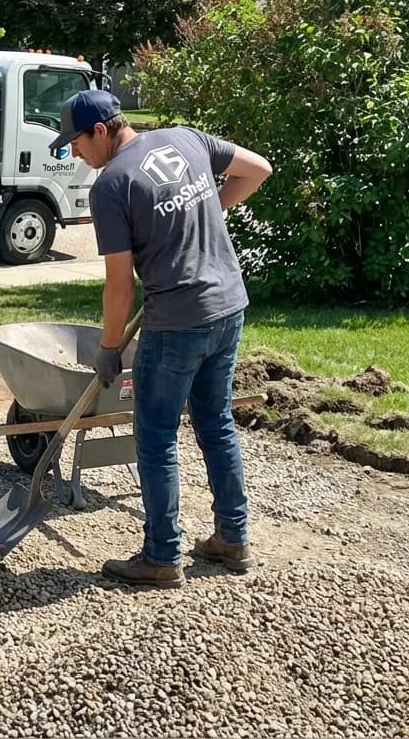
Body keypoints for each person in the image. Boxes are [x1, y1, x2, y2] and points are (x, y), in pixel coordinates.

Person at [49, 90, 273, 589]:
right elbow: (258, 170)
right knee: (216, 422)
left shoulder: (113, 185)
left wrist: (109, 349)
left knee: (155, 435)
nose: (76, 154)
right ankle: (232, 539)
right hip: (229, 305)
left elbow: (120, 285)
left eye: (77, 143)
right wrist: (204, 211)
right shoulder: (186, 138)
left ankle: (161, 555)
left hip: (176, 321)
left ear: (101, 131)